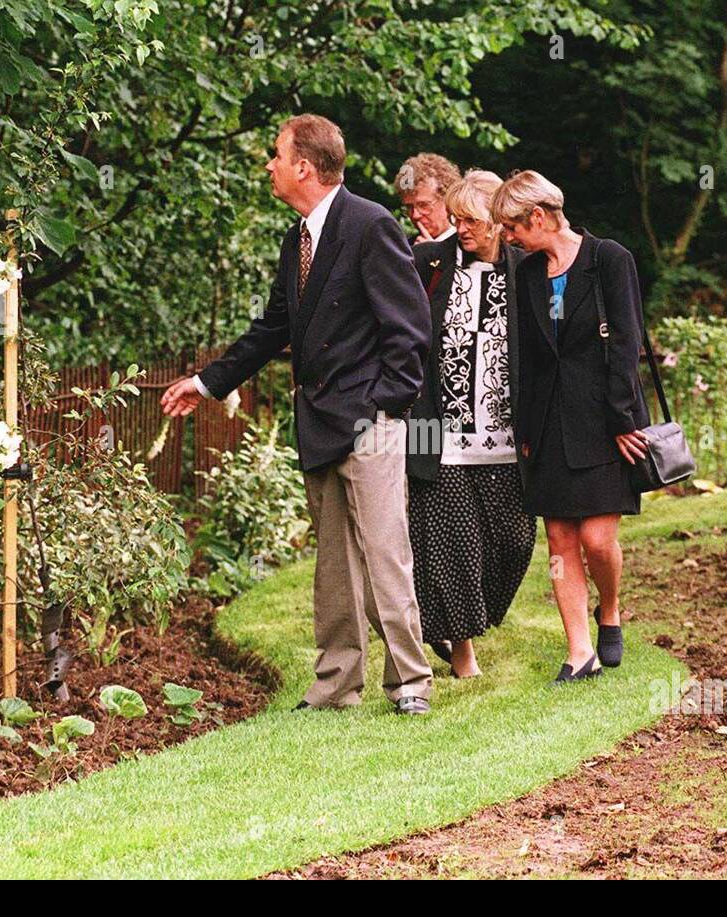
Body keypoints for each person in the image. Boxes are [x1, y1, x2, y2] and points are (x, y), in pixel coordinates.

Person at [161, 114, 435, 714]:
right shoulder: (298, 239)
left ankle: (410, 683)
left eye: (276, 156)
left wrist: (385, 408)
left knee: (386, 556)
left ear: (304, 167)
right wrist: (207, 383)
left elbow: (410, 331)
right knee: (334, 567)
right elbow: (275, 329)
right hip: (319, 422)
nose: (270, 166)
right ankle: (337, 686)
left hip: (369, 423)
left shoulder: (371, 225)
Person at [492, 170, 652, 684]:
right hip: (547, 424)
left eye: (513, 228)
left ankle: (610, 609)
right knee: (561, 540)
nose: (509, 239)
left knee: (598, 539)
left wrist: (623, 418)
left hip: (607, 422)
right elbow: (528, 357)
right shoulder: (528, 275)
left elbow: (628, 341)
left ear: (537, 217)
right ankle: (578, 652)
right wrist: (523, 428)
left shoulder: (610, 259)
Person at [405, 170, 536, 679]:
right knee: (452, 542)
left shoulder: (527, 271)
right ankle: (463, 653)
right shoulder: (429, 265)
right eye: (456, 219)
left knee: (514, 541)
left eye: (473, 221)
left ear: (500, 224)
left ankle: (462, 620)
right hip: (439, 434)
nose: (462, 229)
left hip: (506, 438)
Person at [394, 153, 460, 245]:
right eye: (409, 207)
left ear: (449, 201)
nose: (415, 216)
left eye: (423, 205)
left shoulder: (468, 248)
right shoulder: (404, 250)